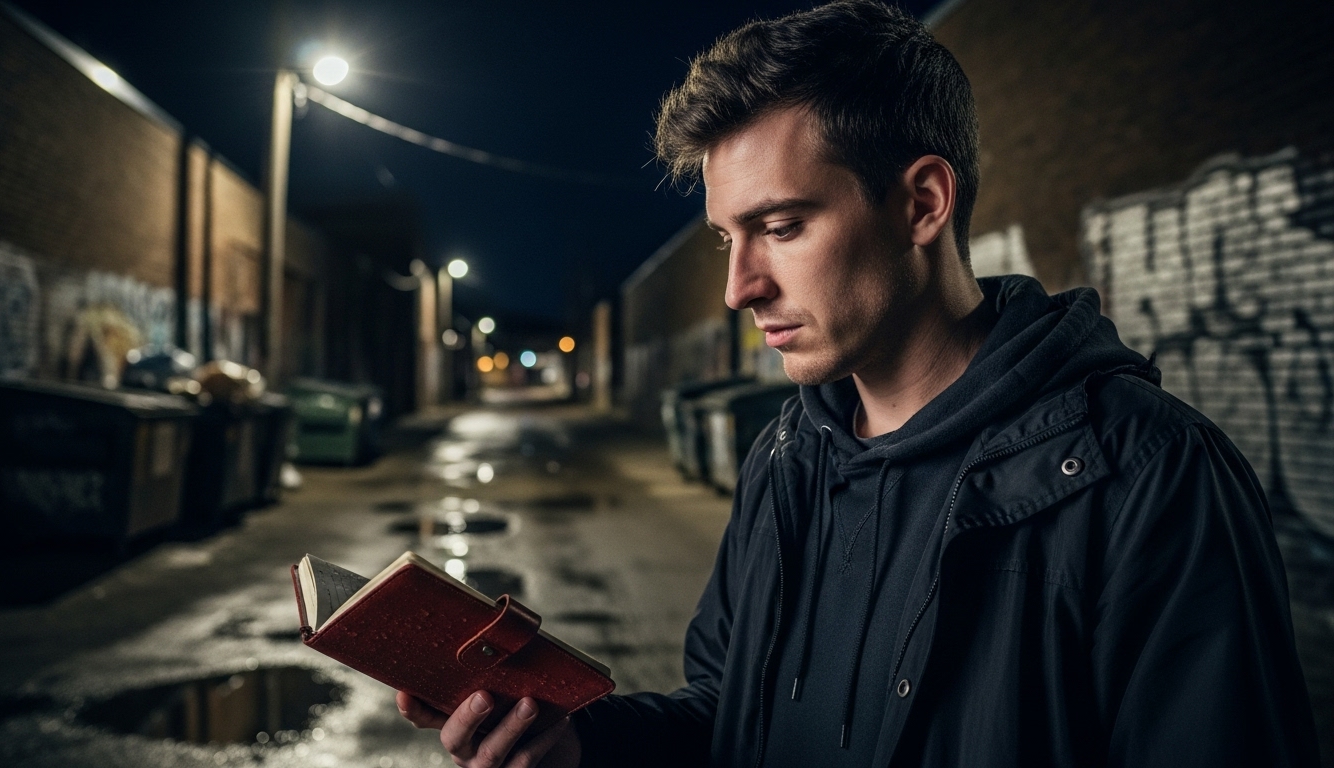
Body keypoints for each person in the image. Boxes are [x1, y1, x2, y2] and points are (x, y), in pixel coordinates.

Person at [397, 2, 1321, 765]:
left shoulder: (1148, 475)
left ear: (922, 202)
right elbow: (728, 718)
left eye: (784, 226)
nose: (739, 287)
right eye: (728, 238)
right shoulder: (789, 456)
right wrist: (582, 747)